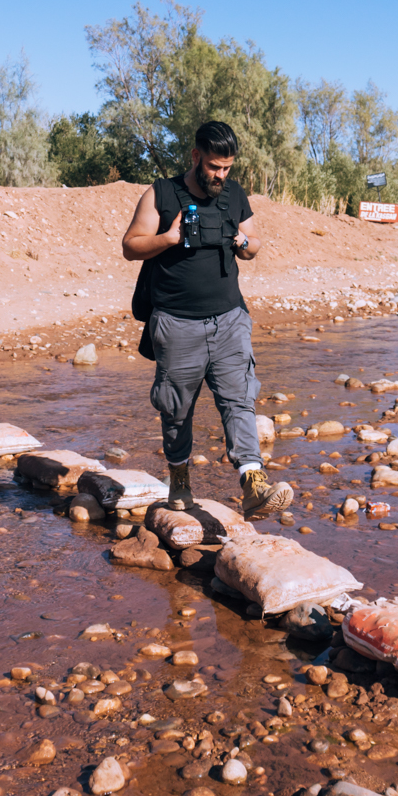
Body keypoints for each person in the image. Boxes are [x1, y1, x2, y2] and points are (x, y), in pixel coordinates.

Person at [121, 120, 292, 520]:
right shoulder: (161, 193)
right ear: (195, 156)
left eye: (227, 168)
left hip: (230, 319)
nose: (220, 175)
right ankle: (179, 478)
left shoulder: (234, 195)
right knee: (176, 409)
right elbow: (131, 246)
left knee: (239, 399)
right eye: (214, 167)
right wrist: (168, 238)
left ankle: (253, 481)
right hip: (176, 322)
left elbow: (254, 244)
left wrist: (245, 244)